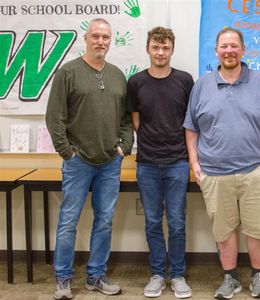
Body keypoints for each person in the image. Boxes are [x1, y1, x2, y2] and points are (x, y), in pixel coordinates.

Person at [184, 28, 260, 299]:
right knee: (223, 229)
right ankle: (230, 278)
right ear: (216, 51)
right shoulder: (202, 85)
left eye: (234, 46)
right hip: (215, 173)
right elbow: (191, 129)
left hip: (256, 170)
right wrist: (195, 163)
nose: (229, 51)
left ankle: (258, 276)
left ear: (243, 50)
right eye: (223, 46)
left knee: (259, 227)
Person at [46, 18, 134, 300]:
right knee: (68, 220)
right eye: (95, 36)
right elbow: (55, 118)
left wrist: (124, 147)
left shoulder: (118, 75)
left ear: (110, 41)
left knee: (104, 221)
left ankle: (96, 276)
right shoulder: (68, 73)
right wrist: (68, 153)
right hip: (78, 162)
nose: (100, 41)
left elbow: (125, 119)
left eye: (105, 37)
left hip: (110, 162)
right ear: (86, 38)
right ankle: (63, 279)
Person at [126, 26, 194, 299]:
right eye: (156, 47)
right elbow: (135, 118)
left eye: (165, 47)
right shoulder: (136, 82)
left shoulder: (185, 80)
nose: (160, 52)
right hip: (147, 163)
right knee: (153, 221)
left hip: (178, 161)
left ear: (172, 50)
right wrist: (148, 140)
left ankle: (177, 275)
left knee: (177, 222)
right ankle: (157, 274)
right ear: (148, 49)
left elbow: (192, 120)